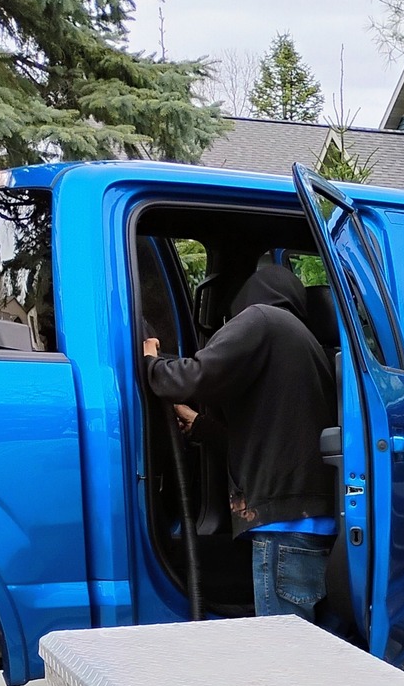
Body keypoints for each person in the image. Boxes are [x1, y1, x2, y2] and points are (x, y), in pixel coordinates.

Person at [142, 261, 336, 620]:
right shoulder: (304, 345)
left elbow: (192, 378)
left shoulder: (261, 318)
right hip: (308, 522)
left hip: (283, 529)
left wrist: (151, 362)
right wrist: (199, 424)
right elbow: (265, 439)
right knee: (307, 652)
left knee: (286, 658)